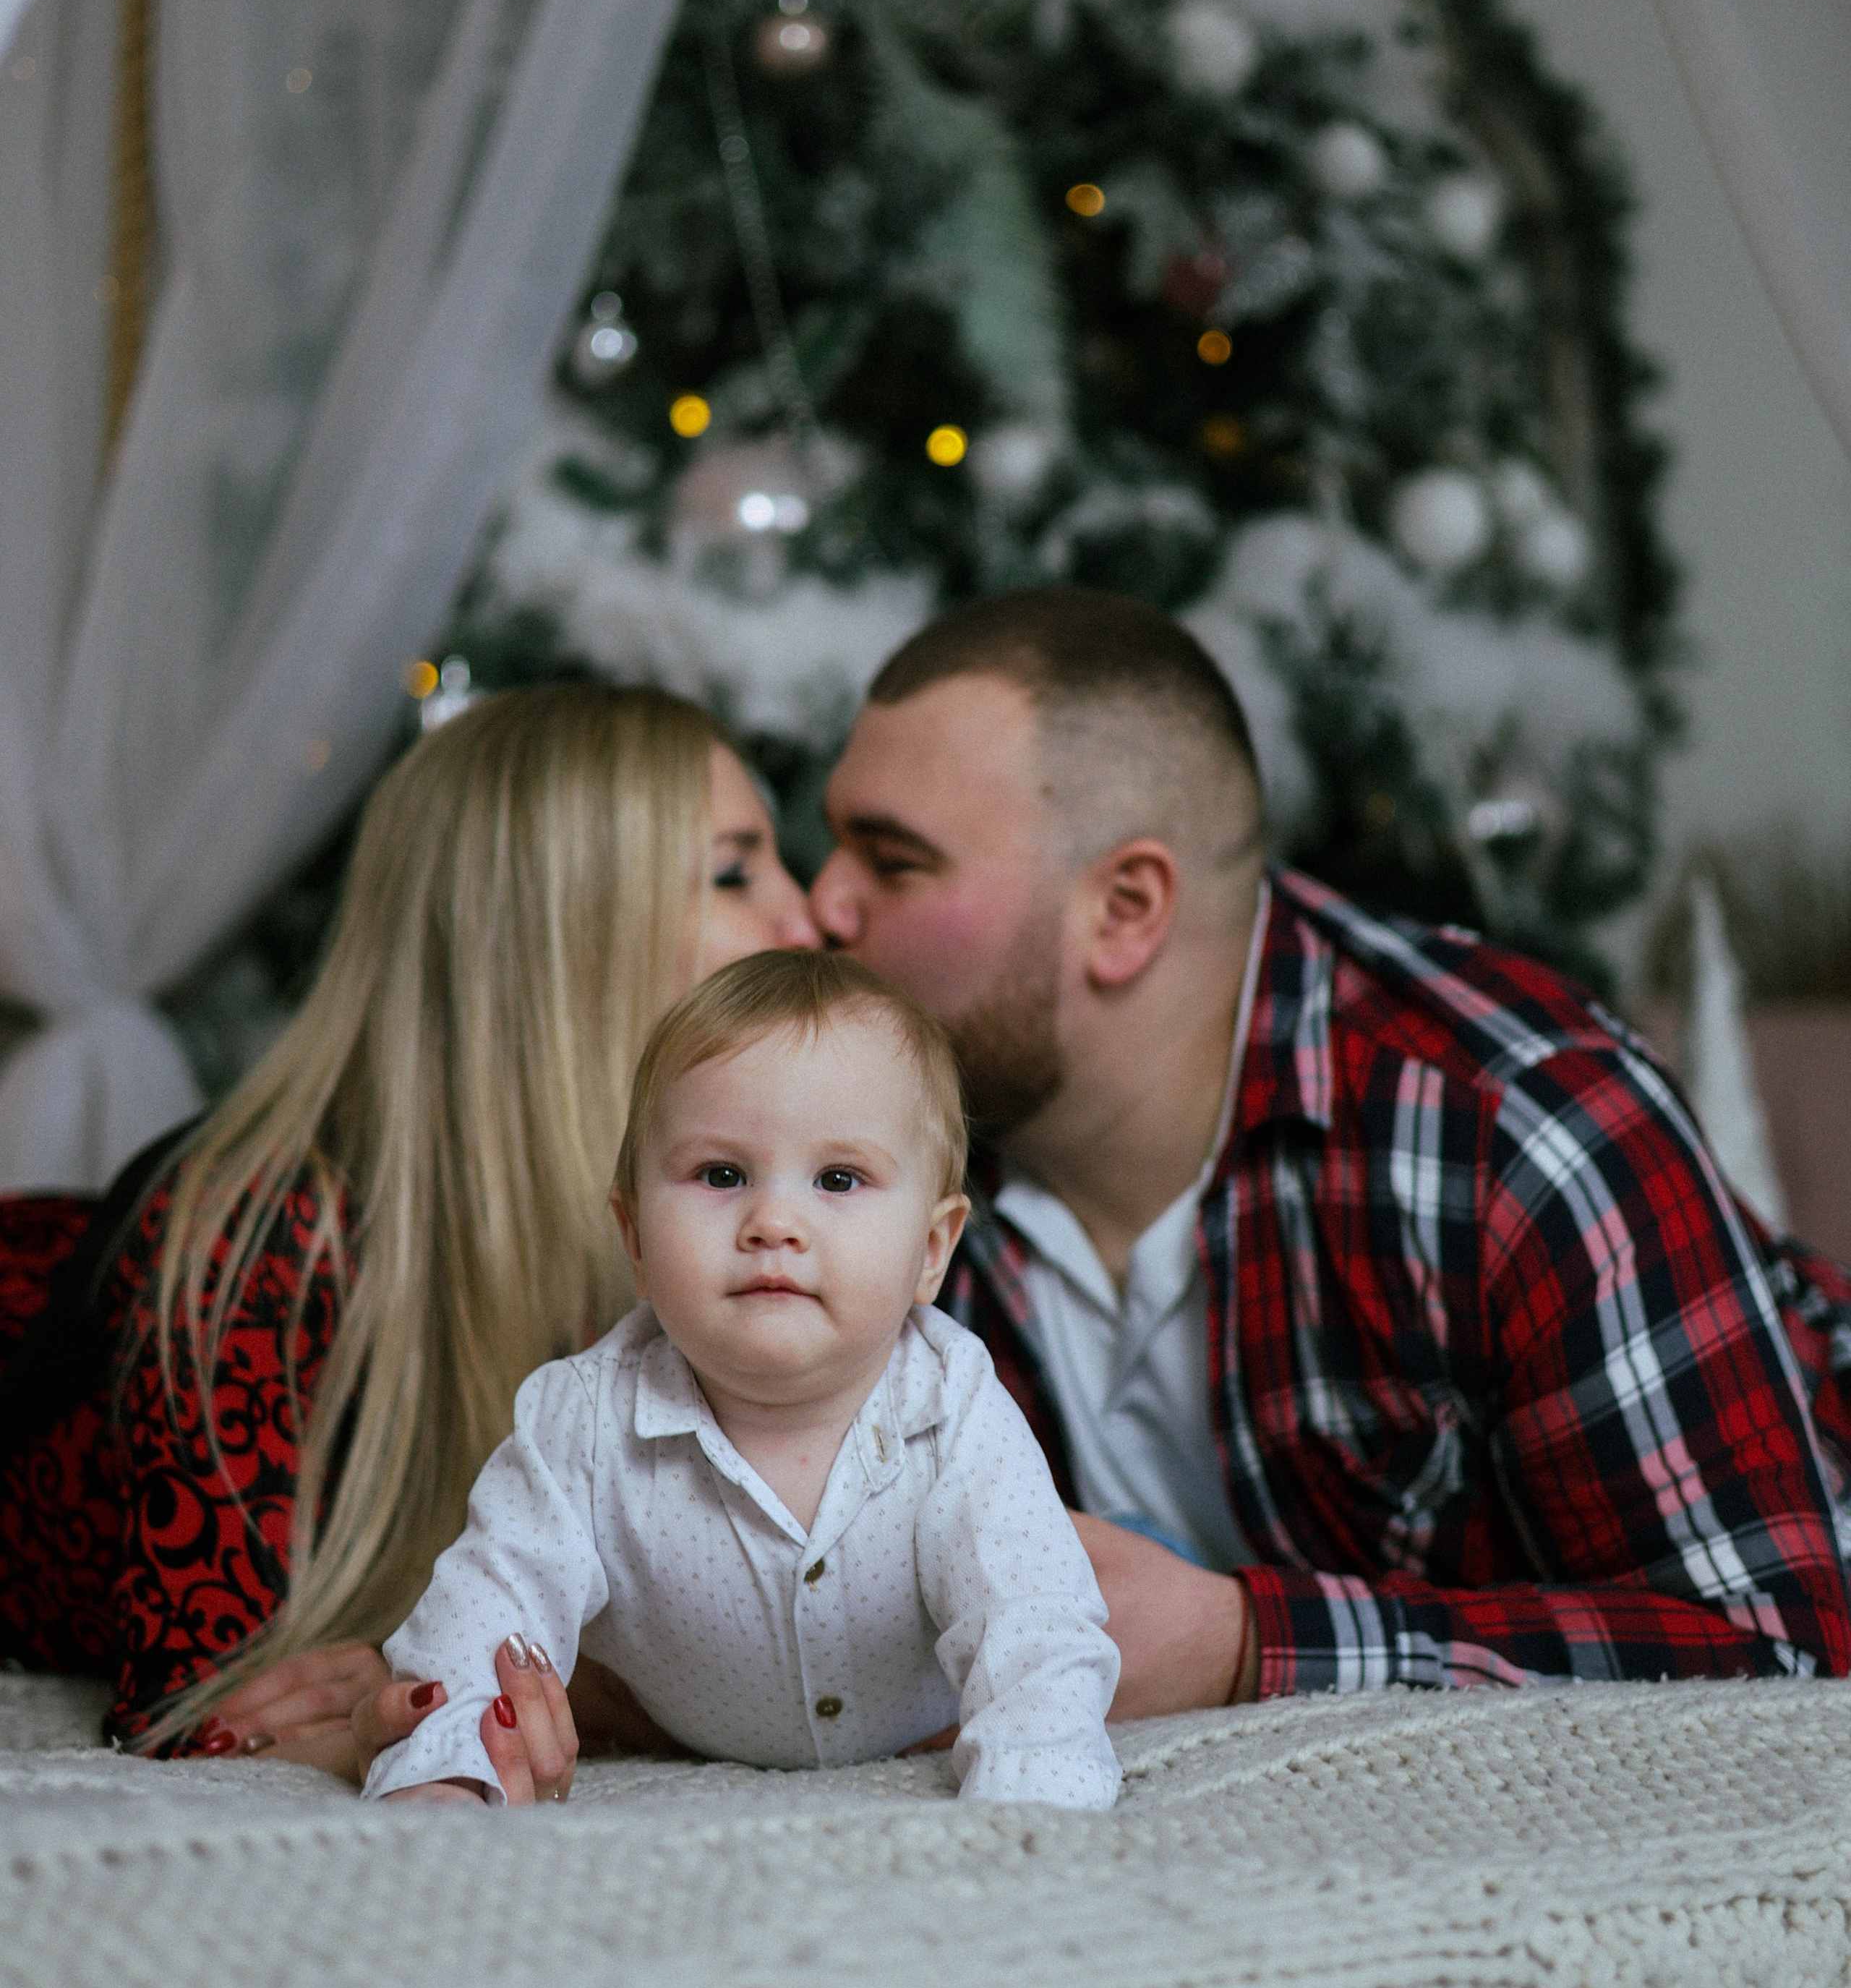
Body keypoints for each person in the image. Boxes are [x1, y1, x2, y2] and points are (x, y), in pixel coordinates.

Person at [800, 586, 1851, 1715]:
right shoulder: (889, 1145)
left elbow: (1785, 1651)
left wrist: (1245, 1647)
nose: (824, 902)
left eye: (894, 861)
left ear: (1124, 908)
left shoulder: (1506, 1116)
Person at [0, 684, 818, 1775]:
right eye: (733, 871)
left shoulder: (690, 1227)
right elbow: (205, 1701)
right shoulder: (270, 1240)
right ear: (563, 934)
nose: (812, 920)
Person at [362, 950, 1121, 1812]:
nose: (773, 1223)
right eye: (721, 1175)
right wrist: (453, 1765)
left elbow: (1032, 1624)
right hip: (679, 1722)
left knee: (1085, 1567)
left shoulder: (952, 1409)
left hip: (932, 1705)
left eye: (839, 1179)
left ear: (933, 1249)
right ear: (637, 1236)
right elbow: (487, 1606)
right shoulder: (581, 1423)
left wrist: (1037, 1791)